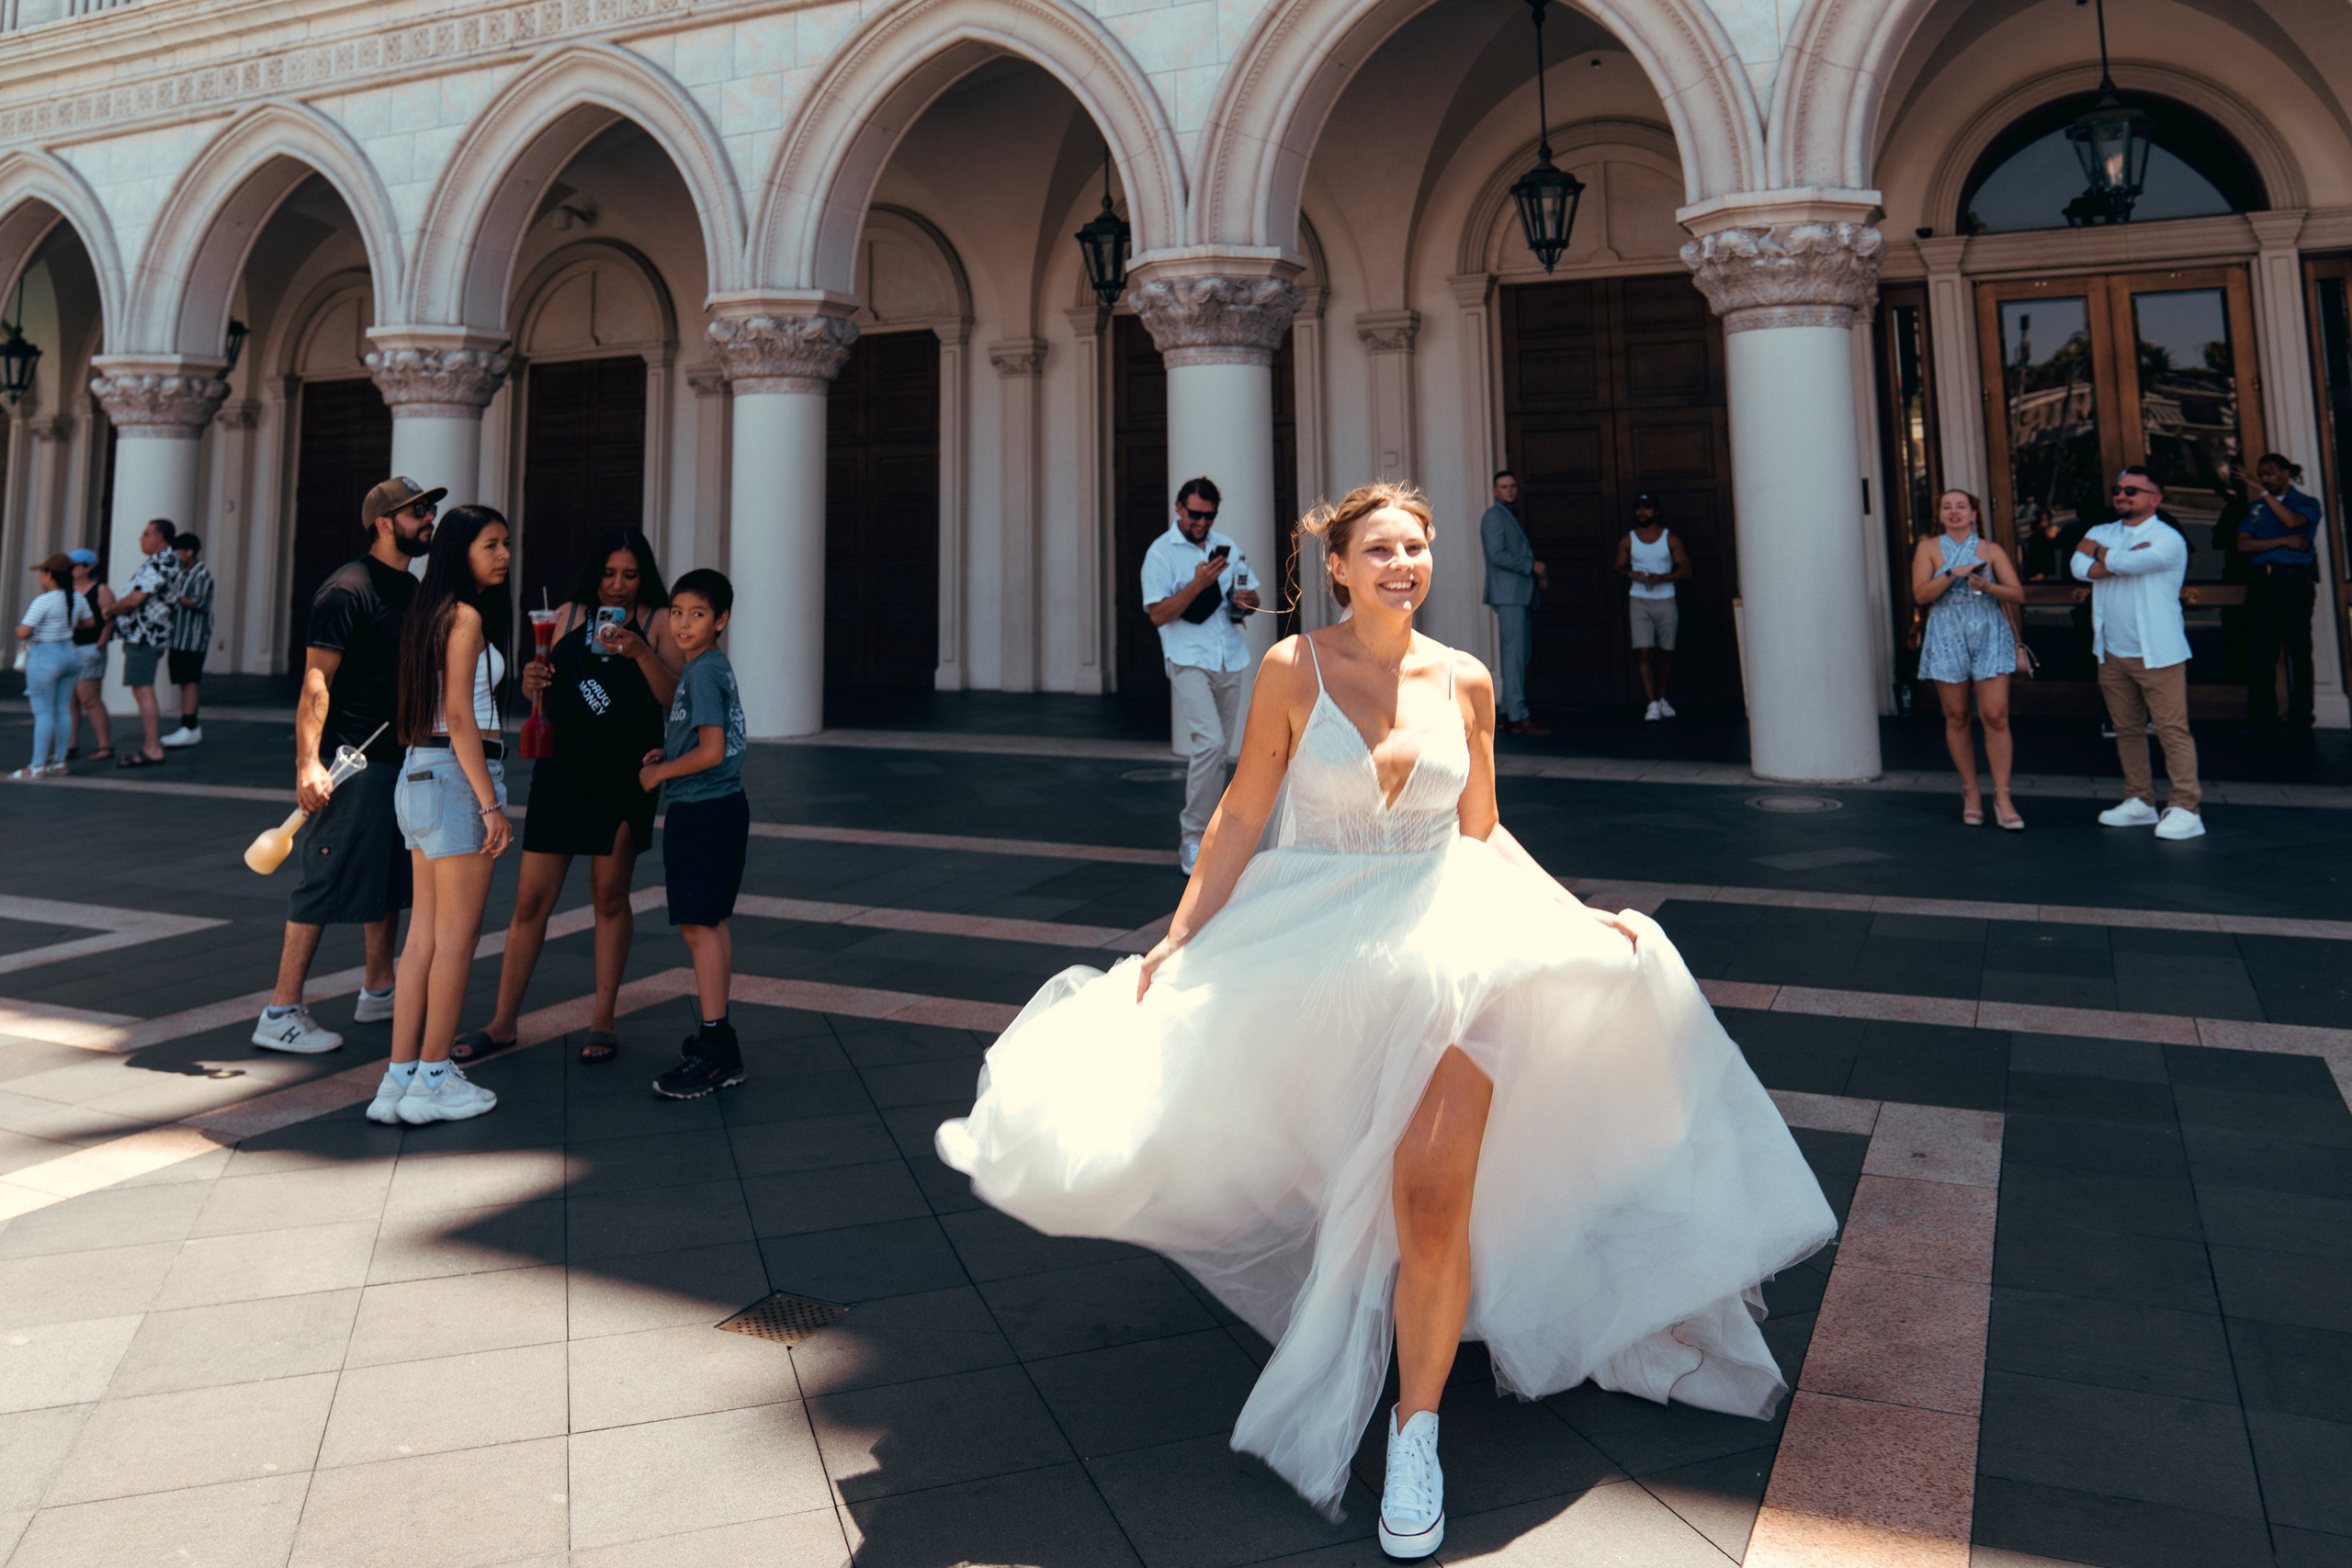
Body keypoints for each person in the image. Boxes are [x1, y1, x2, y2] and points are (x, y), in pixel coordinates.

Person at [937, 482, 1833, 1551]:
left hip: (1453, 947)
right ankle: (1431, 1326)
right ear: (1341, 567)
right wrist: (1176, 939)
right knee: (1345, 1184)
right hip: (1318, 948)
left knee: (1432, 1194)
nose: (1403, 564)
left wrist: (1582, 918)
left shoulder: (1465, 678)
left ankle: (1416, 1432)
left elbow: (1484, 831)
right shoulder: (1291, 667)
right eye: (1381, 550)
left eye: (1417, 548)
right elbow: (1237, 811)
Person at [458, 528, 681, 1065]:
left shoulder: (657, 622)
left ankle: (602, 1019)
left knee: (609, 896)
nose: (619, 586)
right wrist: (535, 680)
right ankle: (503, 1020)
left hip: (623, 775)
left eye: (629, 575)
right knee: (530, 900)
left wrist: (641, 651)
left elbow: (674, 696)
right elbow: (543, 687)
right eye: (609, 574)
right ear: (594, 574)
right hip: (561, 770)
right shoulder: (565, 614)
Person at [255, 477, 439, 1055]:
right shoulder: (348, 588)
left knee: (385, 882)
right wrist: (308, 763)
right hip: (351, 761)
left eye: (430, 508)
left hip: (399, 756)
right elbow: (317, 680)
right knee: (321, 883)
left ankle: (380, 989)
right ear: (385, 522)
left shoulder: (410, 590)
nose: (429, 517)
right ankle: (280, 1011)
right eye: (418, 511)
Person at [366, 504, 513, 1126]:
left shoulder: (429, 613)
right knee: (456, 937)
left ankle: (398, 1078)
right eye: (491, 544)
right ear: (462, 551)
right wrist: (489, 802)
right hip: (455, 777)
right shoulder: (467, 617)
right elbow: (459, 715)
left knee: (422, 938)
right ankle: (432, 1079)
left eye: (505, 544)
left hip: (416, 776)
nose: (504, 554)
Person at [640, 569, 751, 1100]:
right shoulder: (703, 666)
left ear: (721, 620)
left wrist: (659, 773)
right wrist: (671, 753)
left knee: (699, 927)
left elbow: (710, 752)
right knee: (708, 923)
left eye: (698, 615)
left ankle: (715, 1052)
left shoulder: (703, 671)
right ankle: (718, 1037)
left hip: (704, 811)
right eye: (677, 612)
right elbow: (705, 740)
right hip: (716, 806)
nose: (683, 624)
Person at [2075, 466, 2203, 840]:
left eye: (2132, 490)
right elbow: (2079, 568)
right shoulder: (2102, 530)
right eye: (2118, 489)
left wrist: (2103, 556)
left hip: (2158, 653)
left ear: (2154, 499)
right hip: (2112, 650)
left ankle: (2186, 807)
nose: (2122, 495)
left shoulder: (2168, 538)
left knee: (2172, 730)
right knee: (2127, 731)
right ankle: (2140, 801)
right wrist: (2114, 557)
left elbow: (2123, 562)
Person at [1142, 477, 1261, 874]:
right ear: (1179, 508)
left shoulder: (1225, 546)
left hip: (1229, 655)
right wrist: (1198, 584)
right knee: (1209, 743)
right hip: (1187, 658)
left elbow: (1252, 592)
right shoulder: (1161, 554)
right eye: (1195, 514)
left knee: (1219, 752)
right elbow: (1158, 614)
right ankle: (1191, 837)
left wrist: (1246, 599)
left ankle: (1215, 834)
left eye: (1208, 516)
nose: (1201, 522)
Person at [1911, 489, 2026, 829]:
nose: (1954, 512)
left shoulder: (1991, 550)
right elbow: (1920, 594)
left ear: (1974, 513)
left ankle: (2002, 796)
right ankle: (1971, 791)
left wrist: (1987, 586)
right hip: (1947, 631)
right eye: (1947, 507)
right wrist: (1951, 574)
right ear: (1940, 514)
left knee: (1995, 716)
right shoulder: (1929, 548)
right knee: (1957, 716)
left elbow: (2017, 593)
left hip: (1989, 632)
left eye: (1961, 506)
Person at [2238, 452, 2324, 737]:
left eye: (2270, 473)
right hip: (2263, 582)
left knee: (2298, 651)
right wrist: (2284, 542)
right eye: (2261, 474)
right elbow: (2244, 545)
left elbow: (2293, 522)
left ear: (2285, 473)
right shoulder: (2257, 508)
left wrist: (2264, 495)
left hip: (2293, 582)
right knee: (2262, 652)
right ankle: (2264, 716)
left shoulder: (2307, 503)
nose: (2265, 478)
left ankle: (2301, 717)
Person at [99, 518, 183, 768]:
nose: (141, 538)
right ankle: (151, 745)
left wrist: (108, 611)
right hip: (142, 635)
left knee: (143, 688)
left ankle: (152, 747)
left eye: (146, 534)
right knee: (140, 688)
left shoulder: (164, 560)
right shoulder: (159, 561)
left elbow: (136, 599)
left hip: (146, 636)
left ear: (160, 538)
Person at [1478, 470, 1548, 735]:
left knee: (1520, 653)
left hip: (1518, 594)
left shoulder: (1506, 515)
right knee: (1515, 654)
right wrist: (1531, 566)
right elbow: (1496, 555)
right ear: (1495, 491)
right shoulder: (1494, 517)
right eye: (1504, 487)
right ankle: (1518, 716)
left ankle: (1508, 713)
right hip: (1509, 595)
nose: (1510, 490)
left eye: (1512, 486)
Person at [12, 555, 92, 780]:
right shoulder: (76, 598)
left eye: (42, 572)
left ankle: (37, 766)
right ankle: (59, 762)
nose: (40, 577)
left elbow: (23, 632)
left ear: (49, 575)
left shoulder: (43, 601)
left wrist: (21, 628)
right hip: (70, 655)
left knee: (43, 712)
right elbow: (90, 622)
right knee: (62, 710)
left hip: (45, 658)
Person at [1613, 492, 1690, 720]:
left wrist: (1663, 578)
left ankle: (1662, 697)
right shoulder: (1629, 540)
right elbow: (1618, 565)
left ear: (1656, 512)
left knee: (1666, 652)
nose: (1641, 512)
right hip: (1639, 599)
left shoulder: (1669, 539)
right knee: (1645, 651)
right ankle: (1651, 703)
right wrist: (1630, 573)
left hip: (1665, 598)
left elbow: (1686, 569)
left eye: (1646, 508)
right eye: (1638, 508)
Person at [160, 531, 214, 749]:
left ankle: (190, 725)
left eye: (178, 552)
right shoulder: (180, 573)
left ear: (189, 551)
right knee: (183, 681)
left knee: (190, 680)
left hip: (193, 637)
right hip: (178, 637)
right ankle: (187, 726)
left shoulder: (201, 574)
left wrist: (172, 596)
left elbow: (198, 602)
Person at [65, 549, 112, 762]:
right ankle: (70, 745)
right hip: (68, 648)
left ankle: (104, 745)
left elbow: (110, 618)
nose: (71, 570)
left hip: (89, 648)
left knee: (89, 698)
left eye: (75, 565)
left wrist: (100, 643)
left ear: (88, 568)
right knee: (69, 700)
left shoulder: (100, 590)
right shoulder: (67, 590)